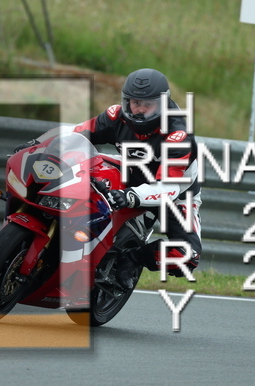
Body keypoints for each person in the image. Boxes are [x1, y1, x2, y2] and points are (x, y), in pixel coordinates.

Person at [17, 68, 202, 289]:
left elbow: (168, 187)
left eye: (148, 105)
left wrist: (131, 196)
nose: (140, 110)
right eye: (135, 103)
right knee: (75, 170)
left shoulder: (178, 136)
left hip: (175, 192)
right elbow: (76, 133)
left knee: (187, 255)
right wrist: (38, 144)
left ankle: (132, 258)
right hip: (127, 170)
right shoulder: (116, 116)